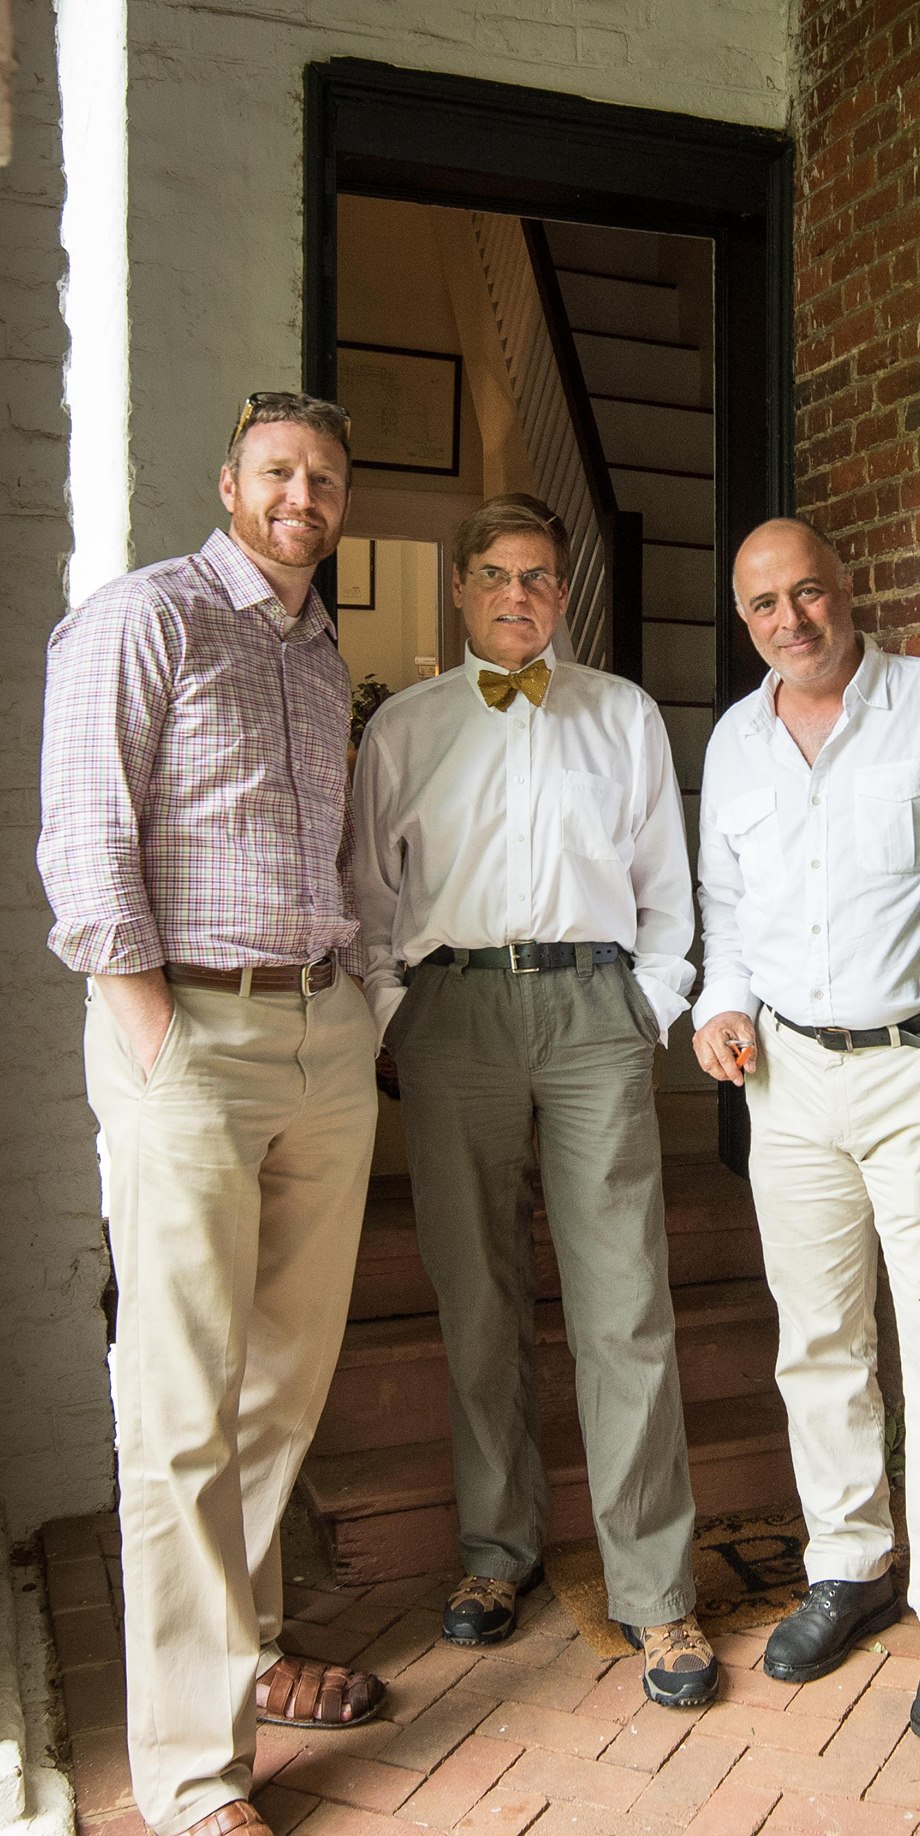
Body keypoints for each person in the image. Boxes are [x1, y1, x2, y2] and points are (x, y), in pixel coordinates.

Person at [38, 392, 383, 1836]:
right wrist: (155, 1039)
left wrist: (358, 1006)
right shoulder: (145, 616)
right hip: (188, 1038)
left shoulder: (318, 653)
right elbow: (84, 837)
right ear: (228, 480)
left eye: (324, 476)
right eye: (277, 472)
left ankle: (237, 1651)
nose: (301, 494)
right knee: (176, 1409)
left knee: (278, 1385)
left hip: (320, 1039)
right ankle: (192, 1784)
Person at [353, 492, 716, 1710]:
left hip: (593, 1013)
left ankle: (655, 1590)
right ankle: (497, 1554)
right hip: (454, 1016)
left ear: (565, 595)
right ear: (460, 590)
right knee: (479, 1296)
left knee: (626, 1301)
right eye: (499, 575)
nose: (521, 593)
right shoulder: (403, 727)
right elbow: (367, 896)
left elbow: (668, 882)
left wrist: (649, 1003)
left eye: (543, 577)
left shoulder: (622, 716)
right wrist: (399, 1017)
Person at [693, 517, 920, 1743]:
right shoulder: (734, 739)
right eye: (764, 605)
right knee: (817, 1338)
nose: (790, 621)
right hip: (785, 1079)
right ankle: (851, 1563)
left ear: (847, 586)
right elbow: (724, 904)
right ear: (747, 619)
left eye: (807, 592)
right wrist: (721, 1003)